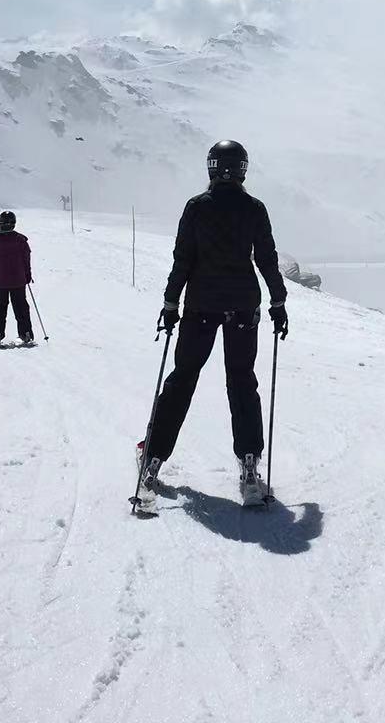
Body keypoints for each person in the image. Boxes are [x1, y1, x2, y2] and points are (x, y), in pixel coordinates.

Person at [137, 140, 288, 511]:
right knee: (241, 381)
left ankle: (153, 459)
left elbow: (182, 259)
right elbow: (267, 258)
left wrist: (171, 302)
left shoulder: (196, 208)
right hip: (242, 307)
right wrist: (278, 301)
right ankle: (250, 466)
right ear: (242, 170)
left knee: (183, 378)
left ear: (211, 167)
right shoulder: (254, 209)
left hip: (201, 306)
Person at [0, 210, 35, 347]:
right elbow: (26, 260)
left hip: (0, 281)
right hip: (18, 280)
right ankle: (26, 333)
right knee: (21, 306)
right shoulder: (21, 240)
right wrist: (27, 276)